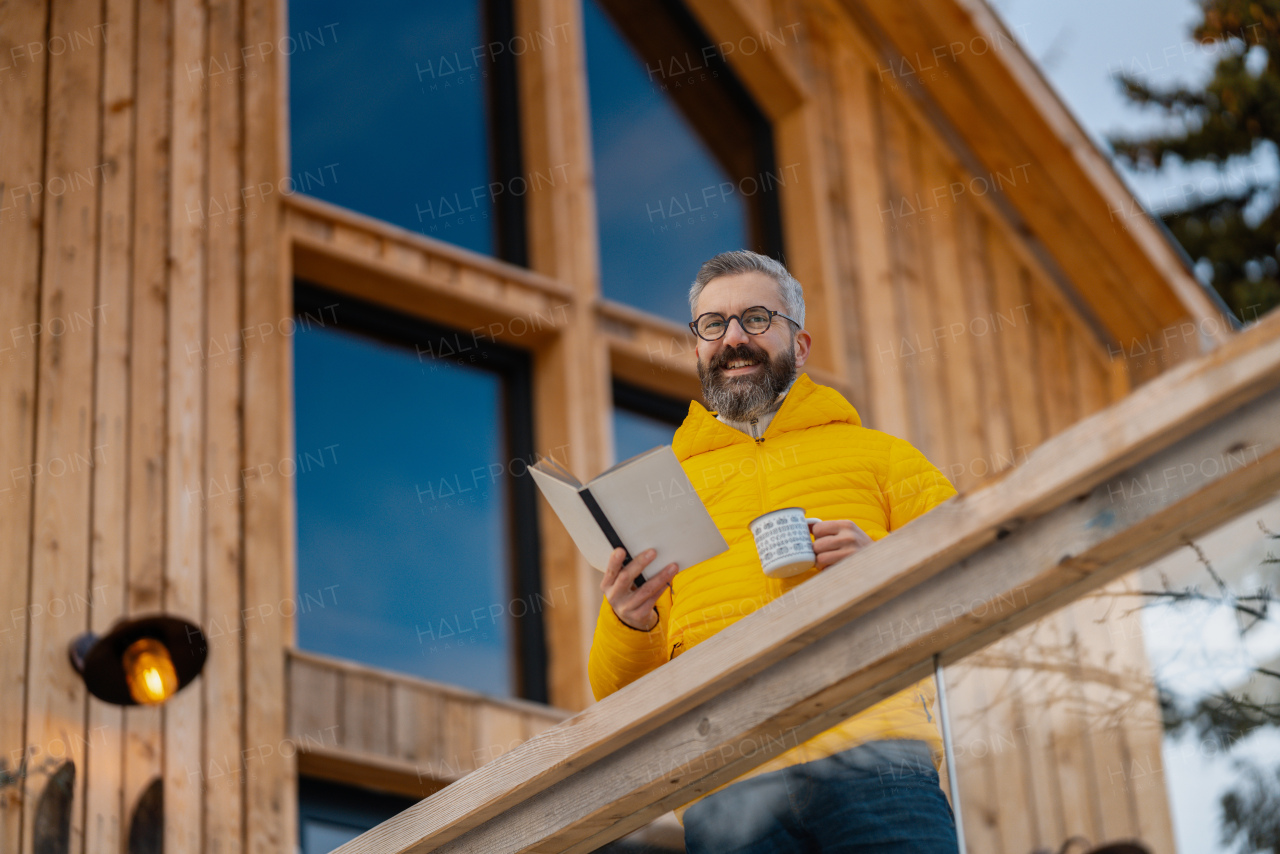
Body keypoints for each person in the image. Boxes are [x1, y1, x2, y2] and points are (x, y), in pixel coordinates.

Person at [587, 250, 961, 853]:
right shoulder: (662, 493)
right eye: (714, 325)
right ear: (698, 346)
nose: (733, 339)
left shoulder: (883, 458)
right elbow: (613, 691)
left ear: (801, 343)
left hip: (876, 755)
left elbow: (978, 584)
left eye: (756, 318)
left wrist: (884, 568)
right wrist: (629, 620)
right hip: (726, 782)